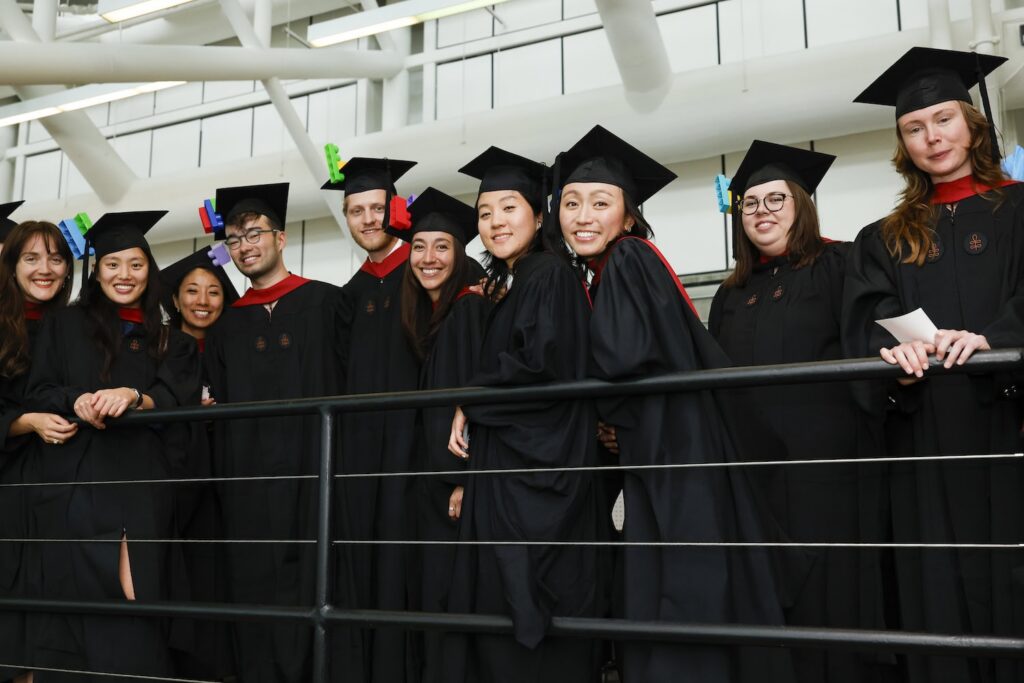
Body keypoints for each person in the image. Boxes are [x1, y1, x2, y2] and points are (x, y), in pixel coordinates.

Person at [546, 125, 809, 683]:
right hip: (671, 437)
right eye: (571, 203)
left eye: (600, 202)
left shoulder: (625, 260)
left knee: (680, 576)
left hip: (672, 446)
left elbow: (621, 355)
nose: (583, 215)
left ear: (629, 215)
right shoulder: (626, 261)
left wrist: (600, 410)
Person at [845, 47, 1024, 683]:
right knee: (934, 585)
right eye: (914, 128)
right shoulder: (884, 236)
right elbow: (866, 320)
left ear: (973, 125)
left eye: (944, 120)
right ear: (902, 143)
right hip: (924, 439)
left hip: (1007, 425)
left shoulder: (1019, 209)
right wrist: (892, 354)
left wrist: (995, 340)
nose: (932, 137)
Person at [708, 140, 884, 682]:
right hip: (757, 477)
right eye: (751, 203)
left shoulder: (841, 263)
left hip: (828, 472)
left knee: (832, 597)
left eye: (775, 199)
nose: (762, 212)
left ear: (801, 205)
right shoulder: (731, 293)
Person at [446, 146, 603, 683]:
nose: (494, 222)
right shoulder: (523, 280)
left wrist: (471, 398)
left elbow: (541, 365)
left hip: (534, 470)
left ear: (539, 216)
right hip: (515, 463)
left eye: (508, 208)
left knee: (527, 596)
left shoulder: (545, 275)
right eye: (485, 213)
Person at [27, 211, 200, 682]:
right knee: (79, 595)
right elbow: (39, 390)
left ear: (151, 271)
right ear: (96, 270)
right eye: (112, 264)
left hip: (141, 480)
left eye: (136, 265)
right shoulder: (62, 326)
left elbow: (175, 399)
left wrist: (133, 396)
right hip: (77, 479)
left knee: (134, 589)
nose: (125, 276)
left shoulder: (171, 341)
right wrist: (76, 399)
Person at [202, 183, 361, 682]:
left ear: (280, 237)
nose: (245, 246)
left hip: (318, 473)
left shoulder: (328, 303)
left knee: (322, 579)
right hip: (248, 481)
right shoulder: (226, 327)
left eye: (254, 234)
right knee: (254, 580)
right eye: (234, 239)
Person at [323, 157, 420, 682]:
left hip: (417, 448)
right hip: (363, 456)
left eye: (375, 208)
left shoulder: (430, 270)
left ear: (396, 209)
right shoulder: (348, 296)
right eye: (354, 210)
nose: (366, 219)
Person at [389, 186, 487, 683]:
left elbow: (471, 398)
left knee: (451, 594)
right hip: (428, 483)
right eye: (419, 247)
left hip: (451, 486)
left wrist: (461, 479)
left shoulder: (468, 310)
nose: (428, 258)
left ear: (461, 252)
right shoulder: (427, 315)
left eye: (442, 247)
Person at [159, 245, 239, 681]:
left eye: (212, 292)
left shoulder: (236, 348)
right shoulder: (159, 347)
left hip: (225, 480)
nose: (202, 301)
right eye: (191, 291)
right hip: (176, 482)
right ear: (175, 300)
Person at [0, 221, 74, 683]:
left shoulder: (79, 327)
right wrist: (24, 422)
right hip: (8, 482)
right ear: (11, 266)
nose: (44, 269)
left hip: (60, 483)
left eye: (55, 258)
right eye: (31, 258)